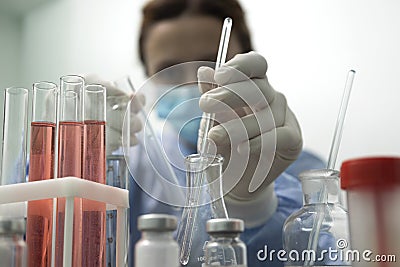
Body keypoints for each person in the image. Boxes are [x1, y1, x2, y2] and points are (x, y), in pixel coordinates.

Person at [91, 0, 326, 266]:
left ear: (247, 65)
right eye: (170, 70)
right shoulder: (128, 168)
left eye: (213, 63)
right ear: (148, 77)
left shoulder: (303, 171)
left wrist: (253, 205)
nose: (193, 82)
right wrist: (64, 157)